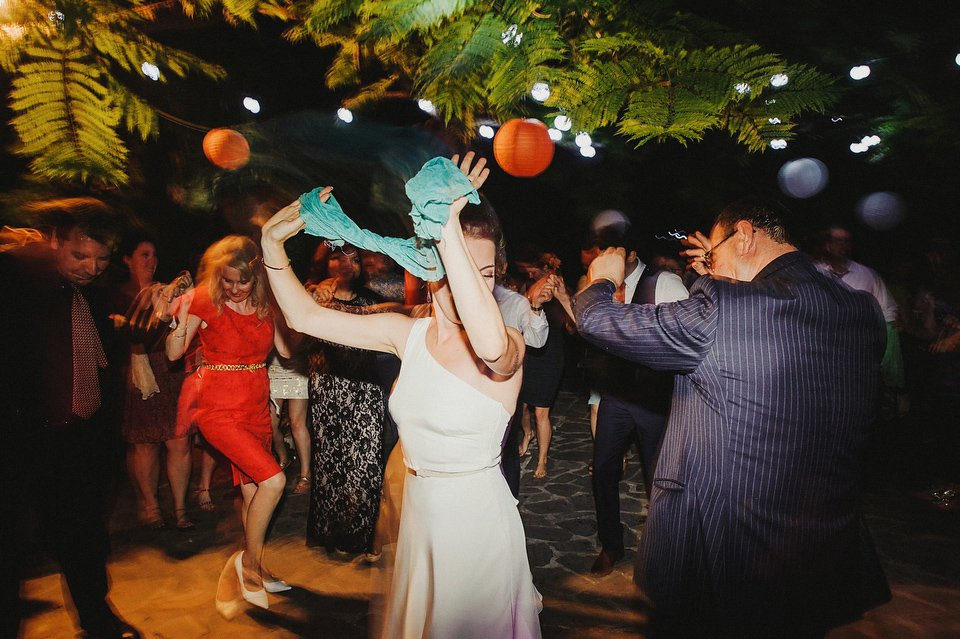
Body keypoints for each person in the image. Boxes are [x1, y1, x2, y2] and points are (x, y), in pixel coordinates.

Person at [573, 196, 891, 638]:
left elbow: (600, 321)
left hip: (730, 546)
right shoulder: (861, 310)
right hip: (822, 542)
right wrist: (719, 268)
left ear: (744, 235)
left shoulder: (722, 305)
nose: (712, 269)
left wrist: (600, 281)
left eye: (715, 256)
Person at [260, 152, 542, 638]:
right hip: (421, 517)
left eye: (487, 274)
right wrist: (270, 246)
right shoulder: (406, 334)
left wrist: (447, 222)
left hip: (476, 523)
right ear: (433, 270)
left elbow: (491, 344)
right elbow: (305, 318)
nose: (474, 285)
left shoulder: (509, 342)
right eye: (460, 270)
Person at [1, 198, 141, 639]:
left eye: (100, 259)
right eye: (79, 256)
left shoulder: (96, 293)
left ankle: (97, 620)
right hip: (19, 437)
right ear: (54, 240)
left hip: (79, 439)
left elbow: (94, 360)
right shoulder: (14, 281)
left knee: (83, 538)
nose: (90, 267)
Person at [165, 235, 291, 614]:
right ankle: (245, 565)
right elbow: (173, 353)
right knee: (274, 481)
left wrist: (289, 311)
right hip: (219, 408)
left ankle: (254, 563)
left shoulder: (269, 304)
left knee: (255, 491)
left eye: (243, 281)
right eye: (227, 280)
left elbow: (285, 352)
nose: (234, 289)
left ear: (258, 278)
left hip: (256, 404)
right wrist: (179, 316)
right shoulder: (204, 300)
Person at [582, 230, 688, 577]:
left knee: (659, 478)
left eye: (611, 250)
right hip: (615, 394)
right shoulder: (600, 284)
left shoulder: (664, 282)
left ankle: (665, 549)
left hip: (653, 399)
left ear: (630, 254)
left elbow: (685, 336)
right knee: (603, 469)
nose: (604, 257)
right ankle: (611, 544)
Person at [303, 243, 387, 555]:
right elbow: (292, 339)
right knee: (330, 462)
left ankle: (363, 535)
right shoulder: (310, 299)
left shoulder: (372, 301)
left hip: (364, 390)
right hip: (326, 388)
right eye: (338, 257)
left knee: (364, 463)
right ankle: (332, 534)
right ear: (326, 263)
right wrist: (313, 301)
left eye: (353, 258)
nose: (345, 265)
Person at [110, 235, 194, 530]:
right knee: (145, 444)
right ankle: (150, 506)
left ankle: (180, 508)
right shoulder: (118, 295)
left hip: (170, 369)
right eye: (143, 254)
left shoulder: (166, 291)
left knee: (180, 440)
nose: (151, 261)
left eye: (154, 255)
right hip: (139, 372)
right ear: (127, 260)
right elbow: (127, 336)